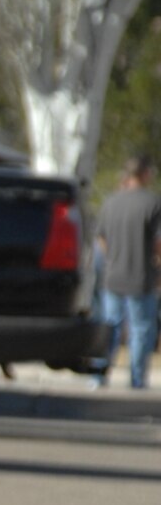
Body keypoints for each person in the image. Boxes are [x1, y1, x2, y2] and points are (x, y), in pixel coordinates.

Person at [93, 154, 161, 391]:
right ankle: (137, 380)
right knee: (141, 330)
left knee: (109, 327)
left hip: (112, 276)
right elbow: (158, 243)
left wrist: (112, 258)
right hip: (141, 277)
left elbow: (101, 239)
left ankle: (99, 375)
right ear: (145, 174)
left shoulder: (111, 202)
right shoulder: (153, 203)